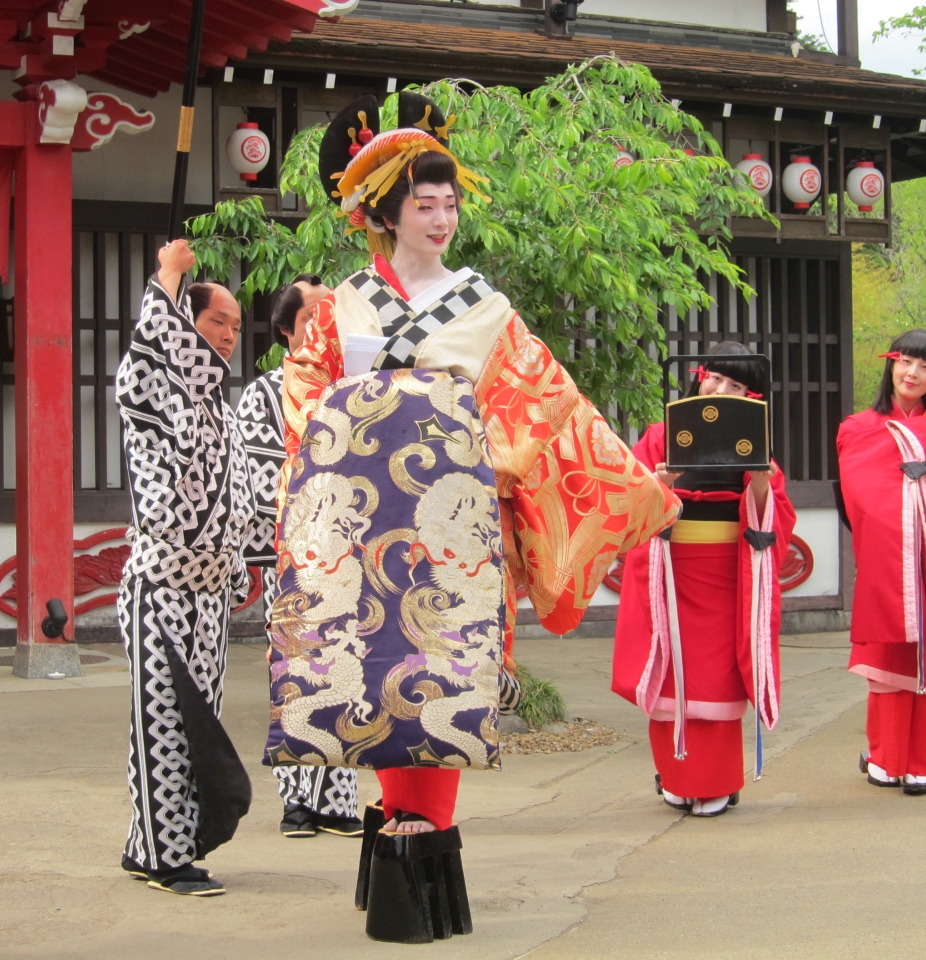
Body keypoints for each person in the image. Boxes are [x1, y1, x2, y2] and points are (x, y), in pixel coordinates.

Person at [268, 93, 679, 940]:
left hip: (452, 535)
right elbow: (303, 408)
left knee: (442, 681)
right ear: (384, 212)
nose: (443, 217)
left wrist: (462, 444)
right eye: (425, 204)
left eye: (451, 202)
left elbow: (547, 412)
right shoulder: (338, 306)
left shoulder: (487, 310)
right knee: (366, 677)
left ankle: (417, 851)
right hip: (357, 533)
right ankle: (400, 842)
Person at [115, 240, 255, 896]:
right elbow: (152, 345)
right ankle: (168, 859)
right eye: (214, 321)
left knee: (201, 717)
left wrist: (243, 563)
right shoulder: (154, 391)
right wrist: (169, 276)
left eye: (233, 324)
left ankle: (155, 845)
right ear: (181, 322)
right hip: (160, 586)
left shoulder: (224, 413)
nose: (227, 335)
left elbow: (242, 497)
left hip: (209, 592)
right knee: (167, 720)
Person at [612, 342, 796, 817]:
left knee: (714, 676)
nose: (721, 390)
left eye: (736, 385)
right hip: (668, 566)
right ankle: (675, 777)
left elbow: (776, 519)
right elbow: (625, 505)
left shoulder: (755, 443)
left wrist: (759, 481)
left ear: (751, 399)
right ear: (698, 376)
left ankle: (714, 782)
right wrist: (664, 482)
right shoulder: (659, 435)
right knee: (670, 670)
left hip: (724, 572)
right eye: (715, 378)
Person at [235, 275, 364, 840]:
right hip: (298, 554)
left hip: (353, 555)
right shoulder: (264, 394)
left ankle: (339, 797)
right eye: (311, 316)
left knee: (349, 673)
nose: (321, 326)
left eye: (329, 316)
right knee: (295, 674)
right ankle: (297, 801)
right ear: (287, 329)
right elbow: (261, 478)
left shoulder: (355, 389)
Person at [837, 329, 926, 795]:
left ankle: (925, 761)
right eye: (905, 362)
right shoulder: (858, 427)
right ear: (890, 364)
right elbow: (861, 498)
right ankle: (885, 756)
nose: (912, 373)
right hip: (889, 560)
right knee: (889, 653)